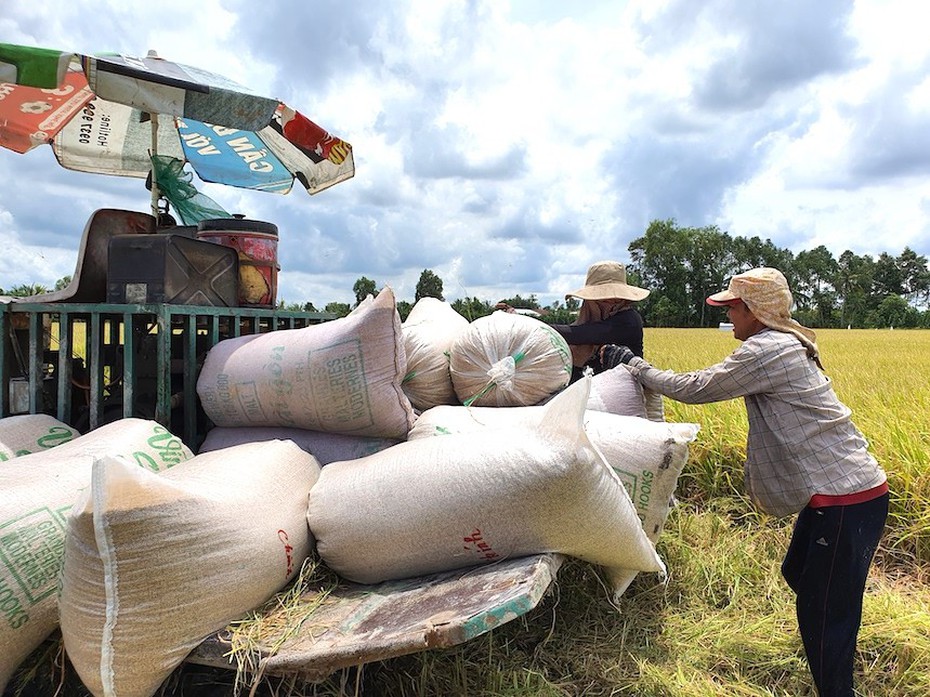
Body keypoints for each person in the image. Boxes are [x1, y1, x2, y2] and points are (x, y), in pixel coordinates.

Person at [599, 267, 888, 697]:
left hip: (845, 498)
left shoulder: (768, 350)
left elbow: (695, 388)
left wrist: (635, 365)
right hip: (840, 495)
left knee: (824, 611)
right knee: (800, 575)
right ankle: (831, 652)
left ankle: (835, 686)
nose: (729, 316)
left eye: (733, 307)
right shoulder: (781, 343)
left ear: (755, 310)